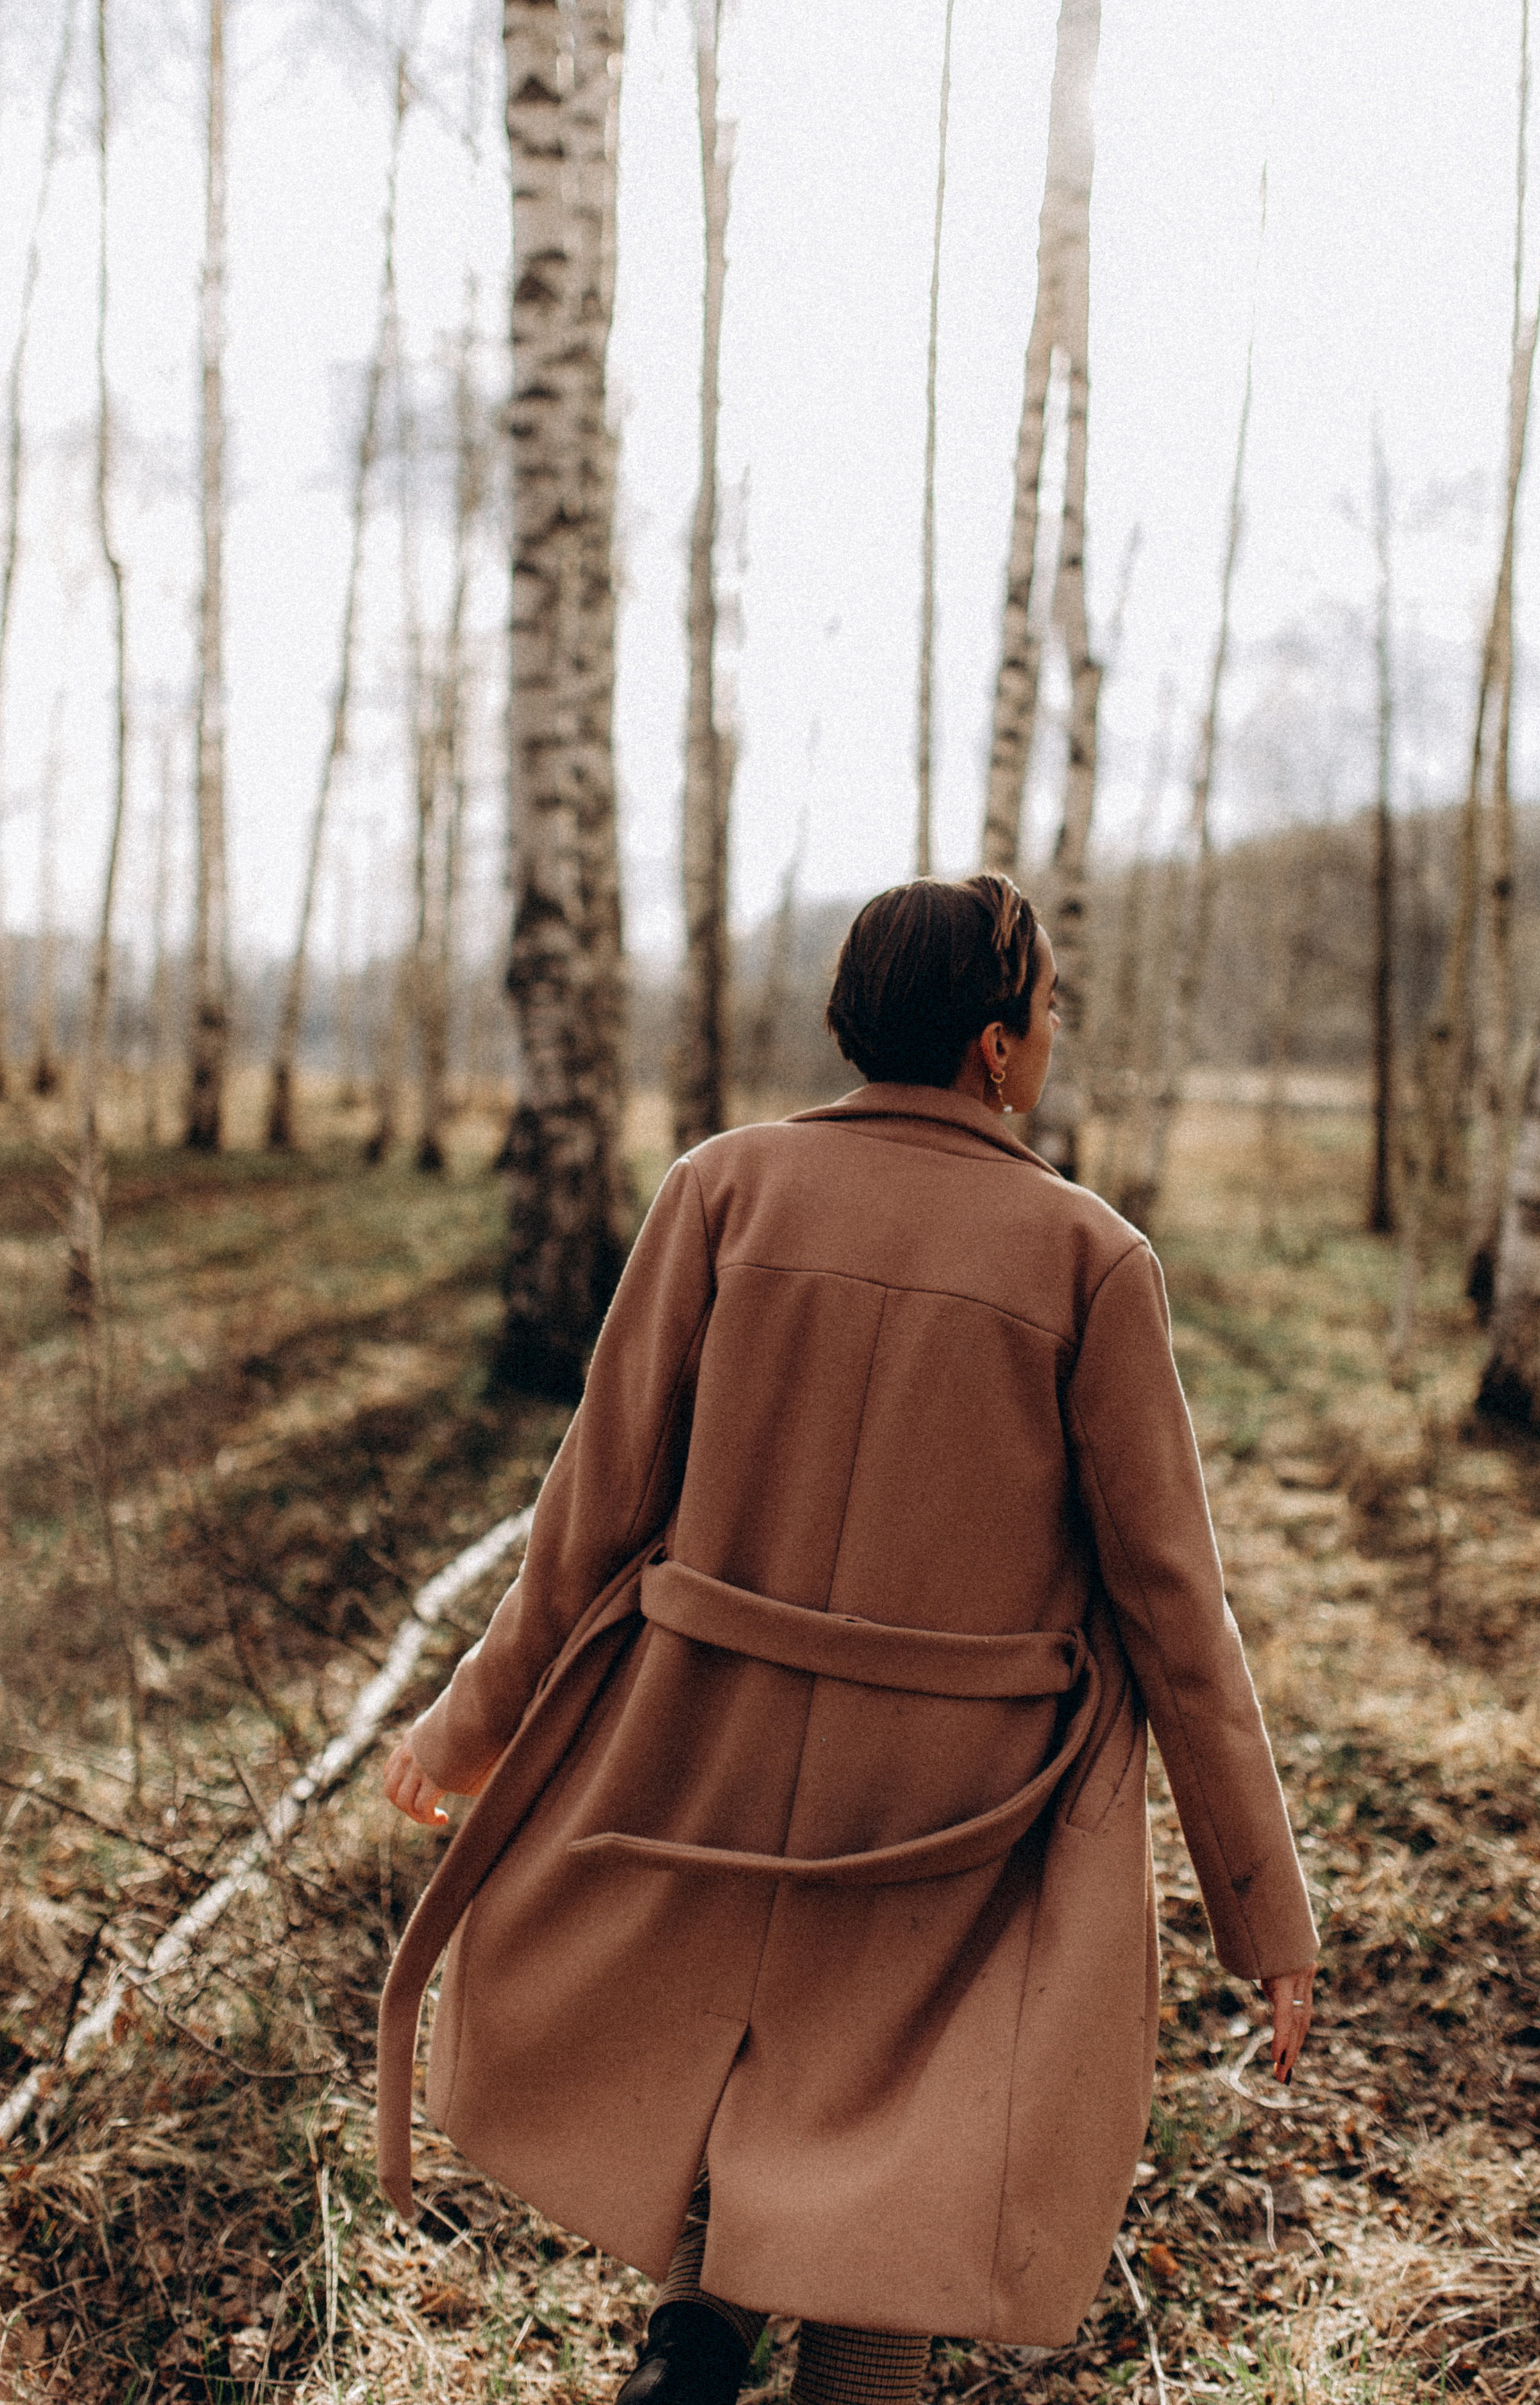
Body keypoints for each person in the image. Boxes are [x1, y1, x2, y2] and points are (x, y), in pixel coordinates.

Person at [376, 873, 1316, 2405]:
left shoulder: (719, 1189)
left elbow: (591, 1507)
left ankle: (689, 2344)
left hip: (709, 1739)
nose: (1049, 1042)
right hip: (955, 1800)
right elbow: (1172, 1609)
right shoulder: (1090, 1260)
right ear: (996, 1049)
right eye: (1047, 1017)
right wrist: (1260, 1909)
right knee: (890, 2129)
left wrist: (468, 1725)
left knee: (740, 2057)